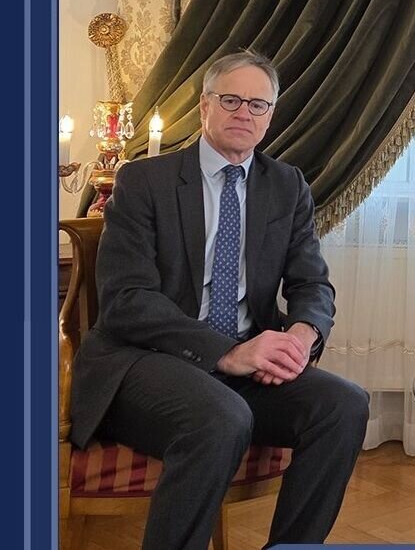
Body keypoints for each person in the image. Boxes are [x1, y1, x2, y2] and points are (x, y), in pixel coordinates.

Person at [70, 50, 370, 549]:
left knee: (345, 405)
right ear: (205, 106)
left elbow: (312, 284)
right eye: (230, 100)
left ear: (270, 115)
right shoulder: (144, 181)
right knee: (222, 416)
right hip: (145, 364)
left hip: (246, 365)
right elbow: (127, 300)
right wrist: (227, 352)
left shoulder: (287, 185)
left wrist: (301, 336)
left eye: (257, 104)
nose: (243, 113)